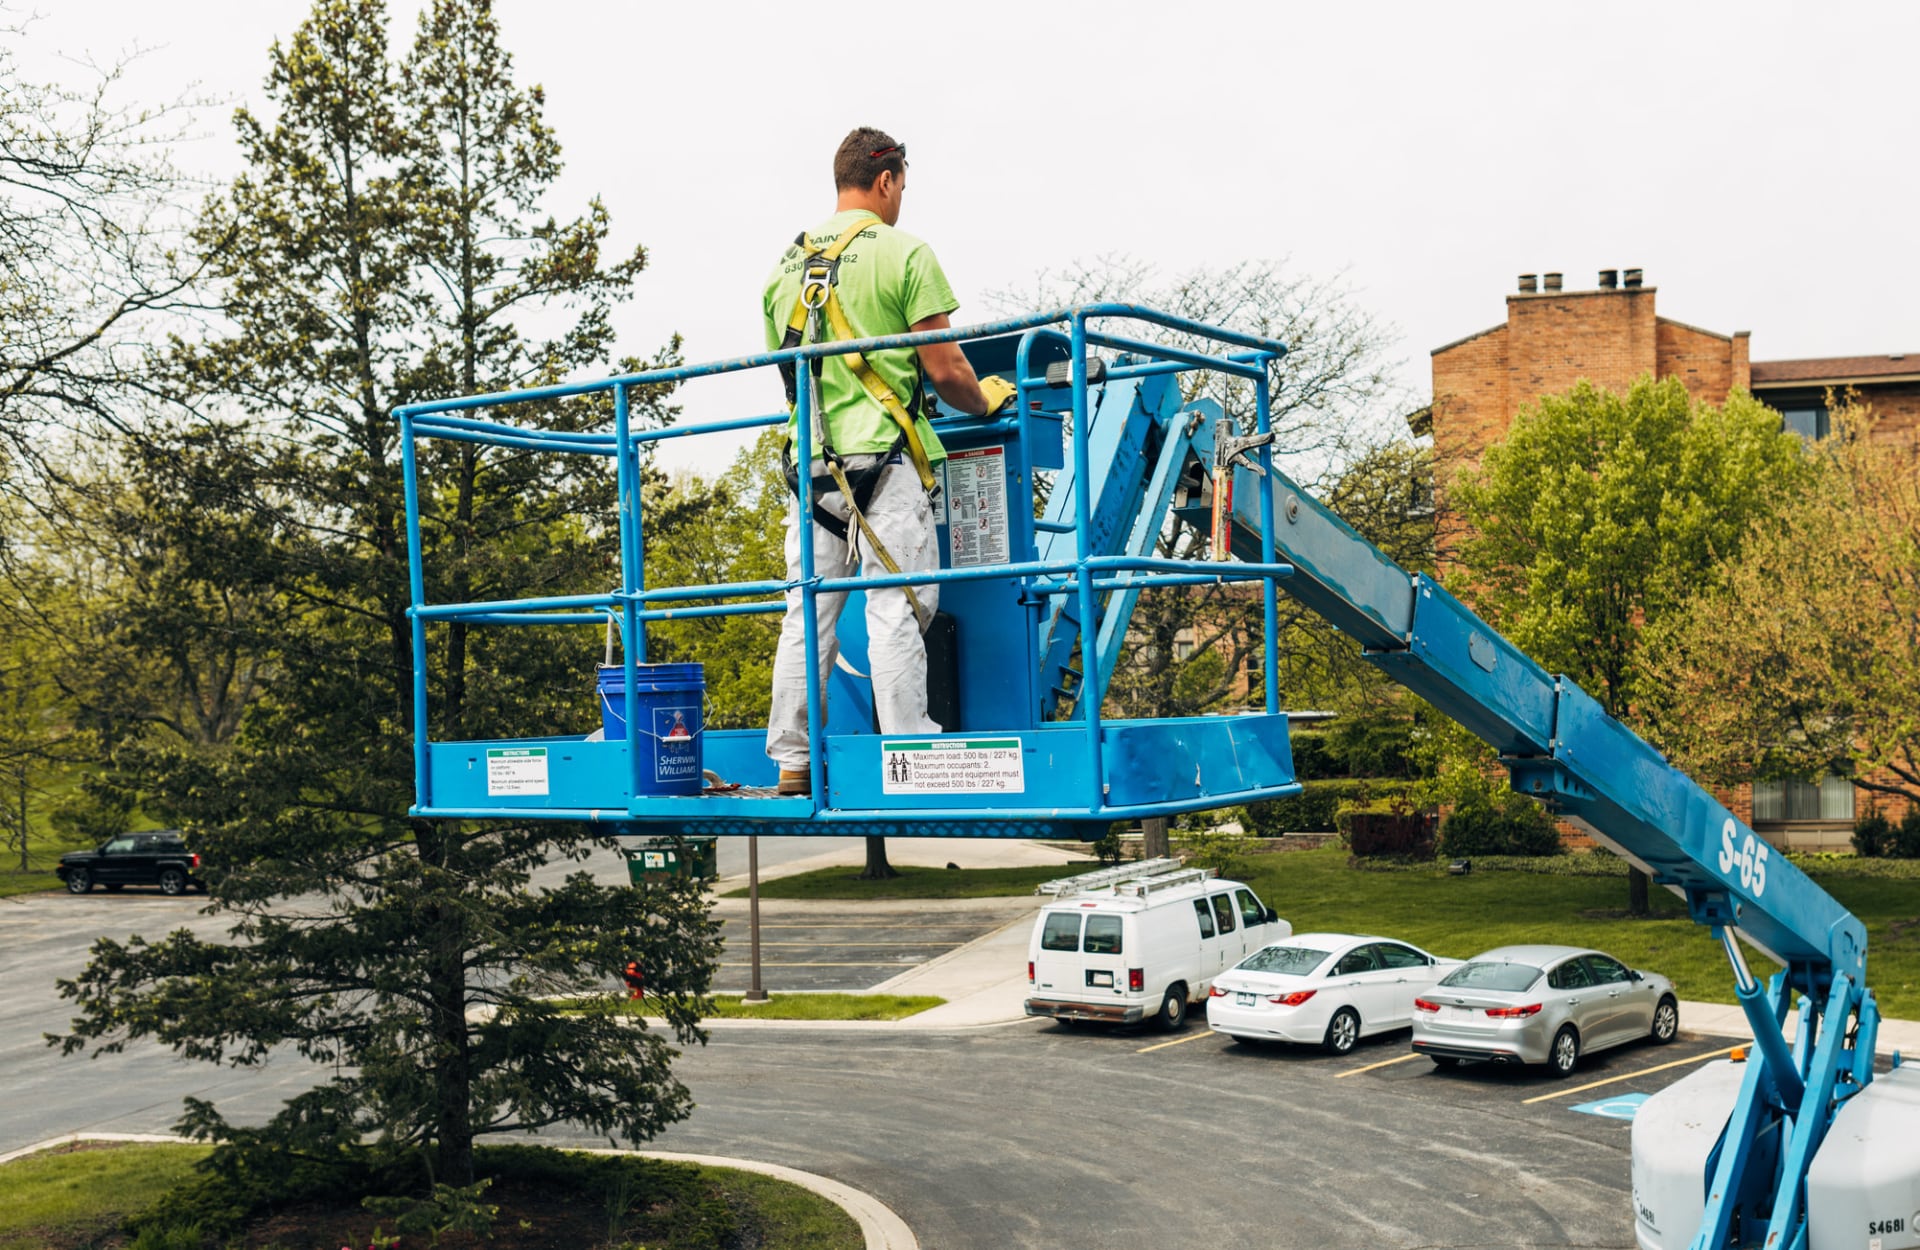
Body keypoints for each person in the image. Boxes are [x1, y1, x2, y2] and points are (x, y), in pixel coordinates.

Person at [762, 127, 1014, 795]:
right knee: (894, 606)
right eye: (901, 186)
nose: (900, 198)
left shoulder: (782, 270)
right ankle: (908, 751)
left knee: (805, 611)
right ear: (886, 181)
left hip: (810, 469)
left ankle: (791, 757)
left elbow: (792, 381)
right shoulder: (906, 254)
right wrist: (983, 400)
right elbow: (947, 368)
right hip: (884, 464)